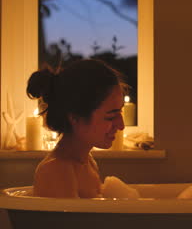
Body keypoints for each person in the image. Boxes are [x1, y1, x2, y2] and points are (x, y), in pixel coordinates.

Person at [26, 59, 126, 198]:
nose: (121, 125)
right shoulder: (57, 170)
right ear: (75, 117)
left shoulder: (87, 162)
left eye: (120, 112)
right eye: (110, 117)